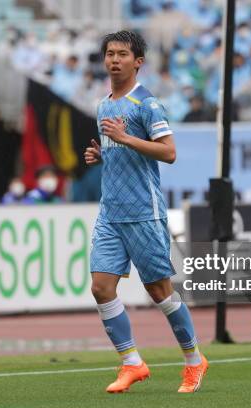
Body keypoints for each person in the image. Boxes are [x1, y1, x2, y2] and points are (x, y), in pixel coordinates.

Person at [84, 30, 208, 394]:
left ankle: (194, 359)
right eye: (110, 53)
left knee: (159, 292)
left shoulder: (148, 104)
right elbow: (120, 154)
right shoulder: (104, 104)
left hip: (143, 211)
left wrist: (124, 139)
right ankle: (132, 363)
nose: (114, 59)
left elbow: (168, 152)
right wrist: (101, 155)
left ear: (138, 62)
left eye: (122, 53)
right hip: (111, 211)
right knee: (101, 287)